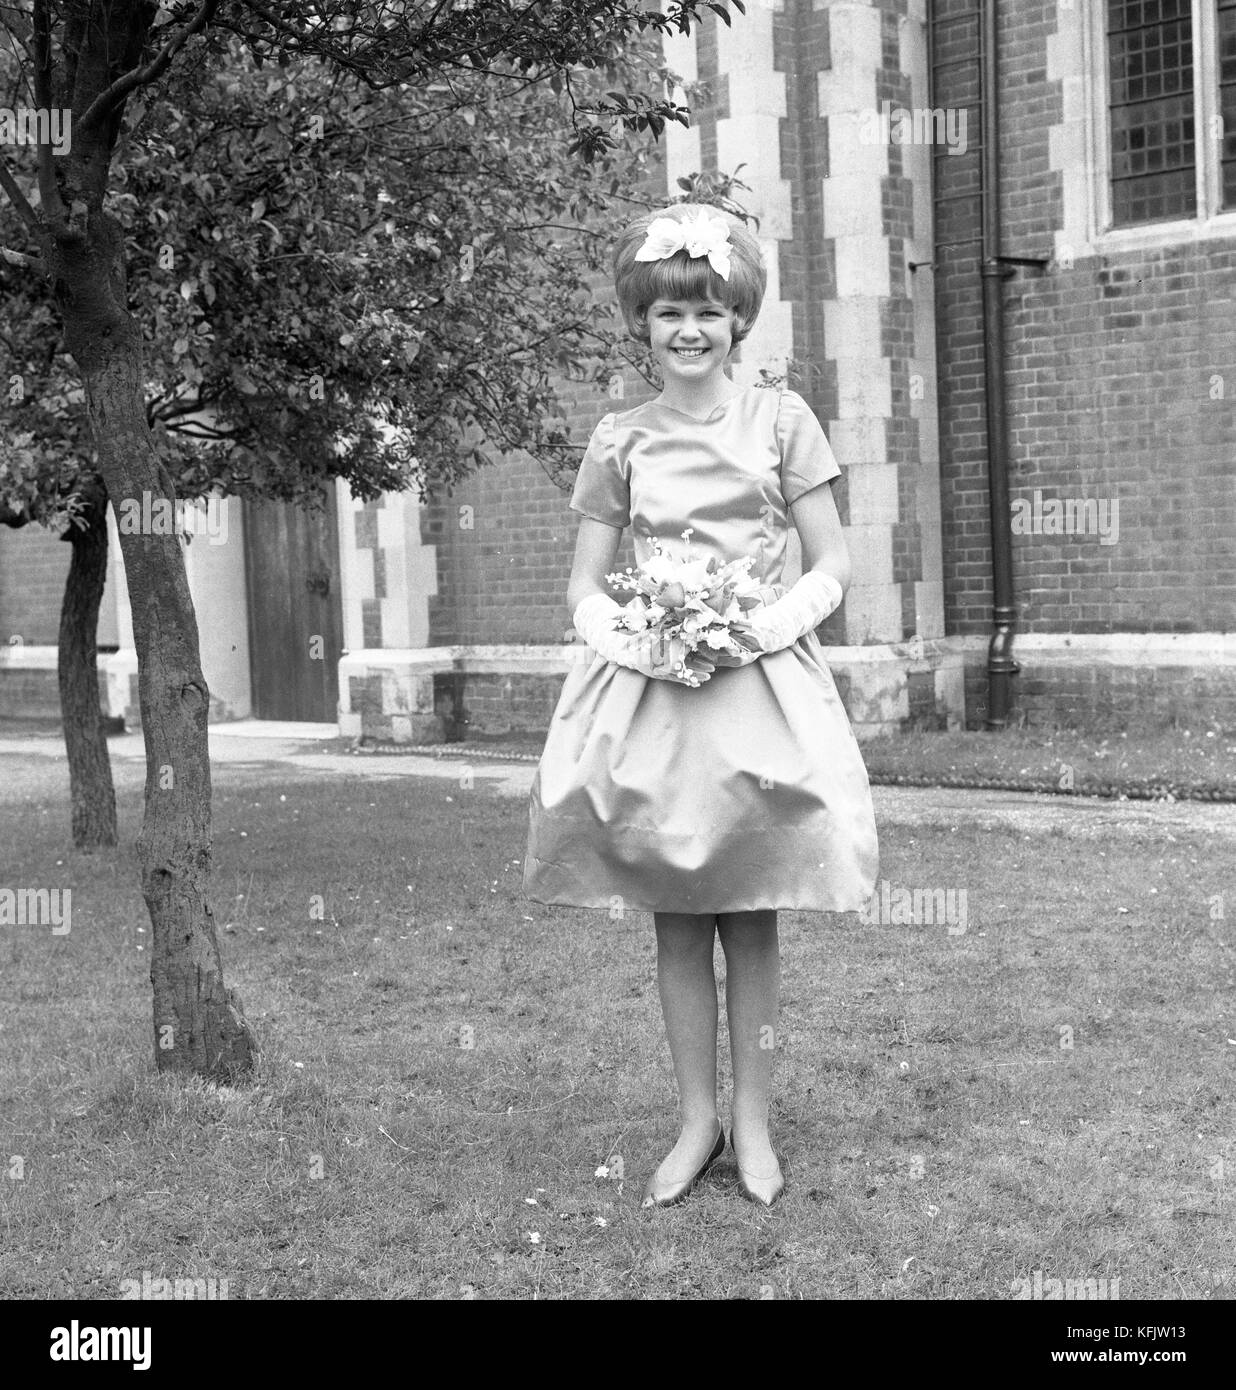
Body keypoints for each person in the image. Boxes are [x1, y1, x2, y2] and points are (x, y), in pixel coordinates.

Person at [523, 202, 879, 1208]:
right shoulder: (620, 440)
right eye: (670, 312)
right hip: (657, 699)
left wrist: (760, 627)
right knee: (676, 918)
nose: (689, 330)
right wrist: (636, 637)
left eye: (709, 312)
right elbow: (585, 584)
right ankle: (696, 1120)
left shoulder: (782, 420)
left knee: (751, 910)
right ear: (643, 324)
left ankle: (755, 1123)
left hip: (758, 690)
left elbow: (836, 560)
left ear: (738, 322)